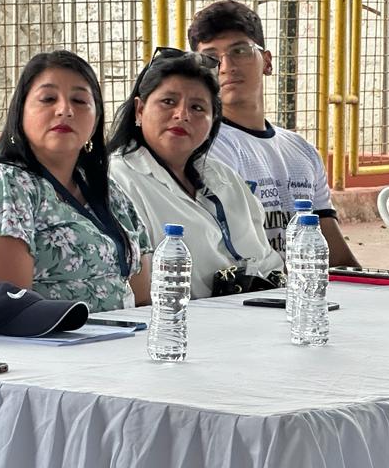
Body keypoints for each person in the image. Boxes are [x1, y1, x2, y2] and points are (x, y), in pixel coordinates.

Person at [0, 50, 151, 315]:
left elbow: (143, 298)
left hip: (116, 336)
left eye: (79, 100)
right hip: (32, 340)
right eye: (48, 99)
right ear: (20, 114)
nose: (65, 110)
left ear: (96, 119)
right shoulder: (2, 185)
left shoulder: (106, 191)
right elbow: (11, 312)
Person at [188, 0, 361, 266]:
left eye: (240, 51)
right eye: (211, 57)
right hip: (251, 291)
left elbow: (335, 255)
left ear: (267, 62)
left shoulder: (302, 150)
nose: (226, 65)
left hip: (306, 289)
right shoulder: (206, 146)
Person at [107, 47, 284, 299]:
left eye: (198, 107)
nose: (182, 115)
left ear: (213, 120)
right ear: (140, 110)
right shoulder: (117, 179)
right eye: (168, 102)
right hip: (182, 316)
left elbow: (267, 259)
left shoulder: (224, 178)